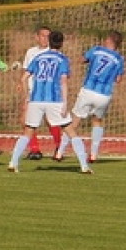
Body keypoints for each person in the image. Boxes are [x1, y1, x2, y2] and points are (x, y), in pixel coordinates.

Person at [9, 30, 89, 173]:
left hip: (36, 99)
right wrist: (65, 102)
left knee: (28, 132)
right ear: (61, 43)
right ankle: (84, 166)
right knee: (71, 132)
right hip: (54, 100)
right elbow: (63, 81)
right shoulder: (63, 59)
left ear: (49, 42)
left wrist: (27, 97)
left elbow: (24, 78)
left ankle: (13, 163)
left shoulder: (38, 57)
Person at [55, 31, 126, 164]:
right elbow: (118, 79)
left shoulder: (97, 50)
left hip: (88, 89)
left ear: (109, 40)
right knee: (97, 121)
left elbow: (82, 60)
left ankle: (60, 152)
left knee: (74, 121)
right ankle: (93, 155)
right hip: (104, 94)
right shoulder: (120, 59)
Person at [18, 27, 63, 160]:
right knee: (26, 120)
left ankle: (59, 147)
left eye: (48, 36)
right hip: (33, 93)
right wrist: (24, 92)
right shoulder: (31, 52)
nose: (45, 39)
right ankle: (35, 150)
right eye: (43, 36)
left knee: (51, 121)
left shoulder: (54, 53)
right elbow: (26, 72)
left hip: (48, 93)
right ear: (37, 37)